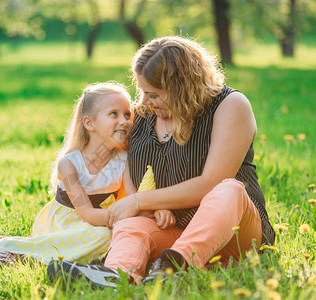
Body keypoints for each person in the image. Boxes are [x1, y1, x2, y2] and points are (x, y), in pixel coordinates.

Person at [47, 36, 275, 286]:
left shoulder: (230, 105)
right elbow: (95, 150)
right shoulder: (141, 117)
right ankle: (117, 275)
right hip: (171, 230)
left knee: (228, 189)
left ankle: (175, 268)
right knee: (133, 226)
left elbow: (210, 182)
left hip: (234, 234)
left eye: (153, 94)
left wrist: (138, 201)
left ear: (182, 89)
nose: (143, 101)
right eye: (143, 92)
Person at [0, 82, 138, 267]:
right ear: (89, 123)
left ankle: (40, 258)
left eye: (127, 114)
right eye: (114, 114)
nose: (124, 121)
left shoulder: (123, 159)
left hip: (100, 222)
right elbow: (87, 213)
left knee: (115, 235)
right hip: (66, 223)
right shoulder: (70, 163)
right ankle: (9, 246)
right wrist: (120, 218)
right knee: (105, 235)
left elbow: (133, 196)